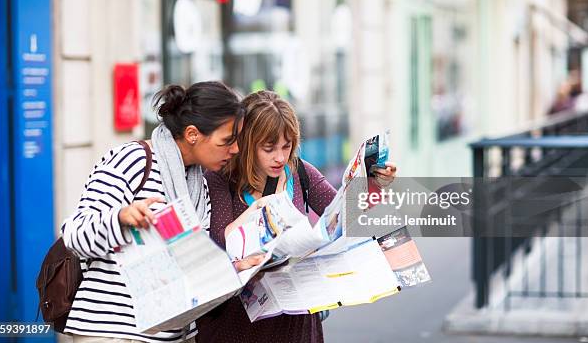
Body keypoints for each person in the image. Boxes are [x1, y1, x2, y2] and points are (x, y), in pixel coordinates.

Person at [61, 81, 257, 343]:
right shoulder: (133, 160)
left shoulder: (199, 184)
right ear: (192, 134)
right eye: (227, 141)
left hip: (172, 333)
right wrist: (120, 218)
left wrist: (234, 270)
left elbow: (194, 264)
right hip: (114, 332)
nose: (235, 149)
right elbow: (74, 235)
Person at [197, 91, 396, 343]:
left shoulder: (300, 172)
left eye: (286, 146)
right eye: (268, 148)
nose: (280, 157)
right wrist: (260, 208)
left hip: (296, 322)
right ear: (247, 143)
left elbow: (345, 215)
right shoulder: (220, 180)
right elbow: (218, 244)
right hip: (238, 326)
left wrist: (374, 185)